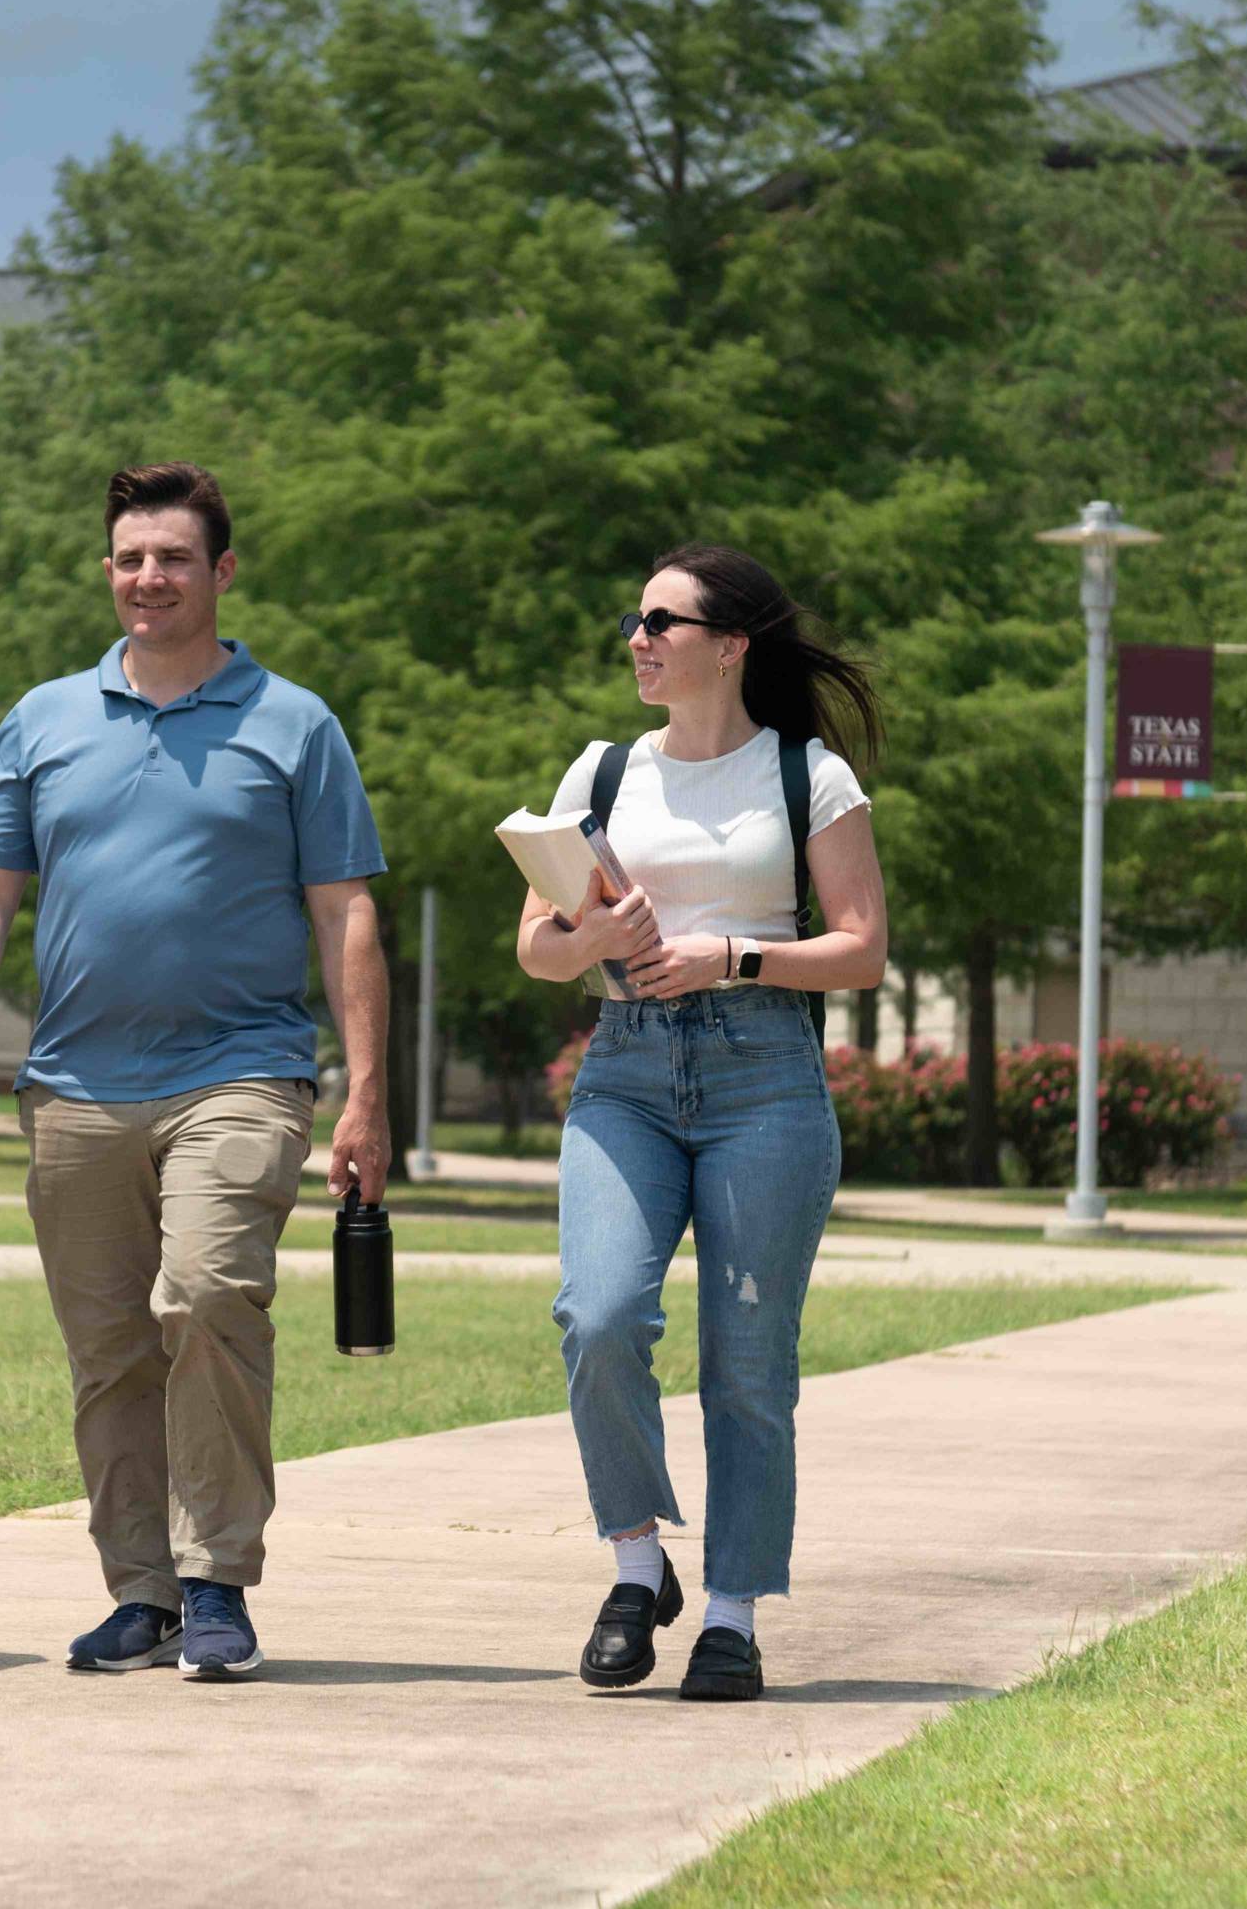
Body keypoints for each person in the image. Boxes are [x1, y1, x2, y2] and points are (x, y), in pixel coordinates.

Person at [0, 461, 390, 1682]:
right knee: (109, 1351)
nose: (148, 577)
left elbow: (343, 911)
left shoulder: (293, 723)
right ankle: (142, 1592)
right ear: (107, 570)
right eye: (130, 557)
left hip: (241, 1072)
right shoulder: (42, 718)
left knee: (205, 1295)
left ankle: (216, 1578)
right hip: (74, 1086)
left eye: (173, 557)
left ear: (221, 572)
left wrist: (367, 1089)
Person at [517, 543, 888, 1703]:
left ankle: (730, 1614)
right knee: (599, 1311)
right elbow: (536, 946)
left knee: (745, 1363)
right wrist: (597, 943)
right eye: (633, 619)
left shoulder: (805, 776)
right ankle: (638, 1568)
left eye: (661, 622)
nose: (637, 637)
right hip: (623, 1069)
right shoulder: (600, 773)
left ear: (728, 645)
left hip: (762, 1077)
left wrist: (728, 952)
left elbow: (862, 946)